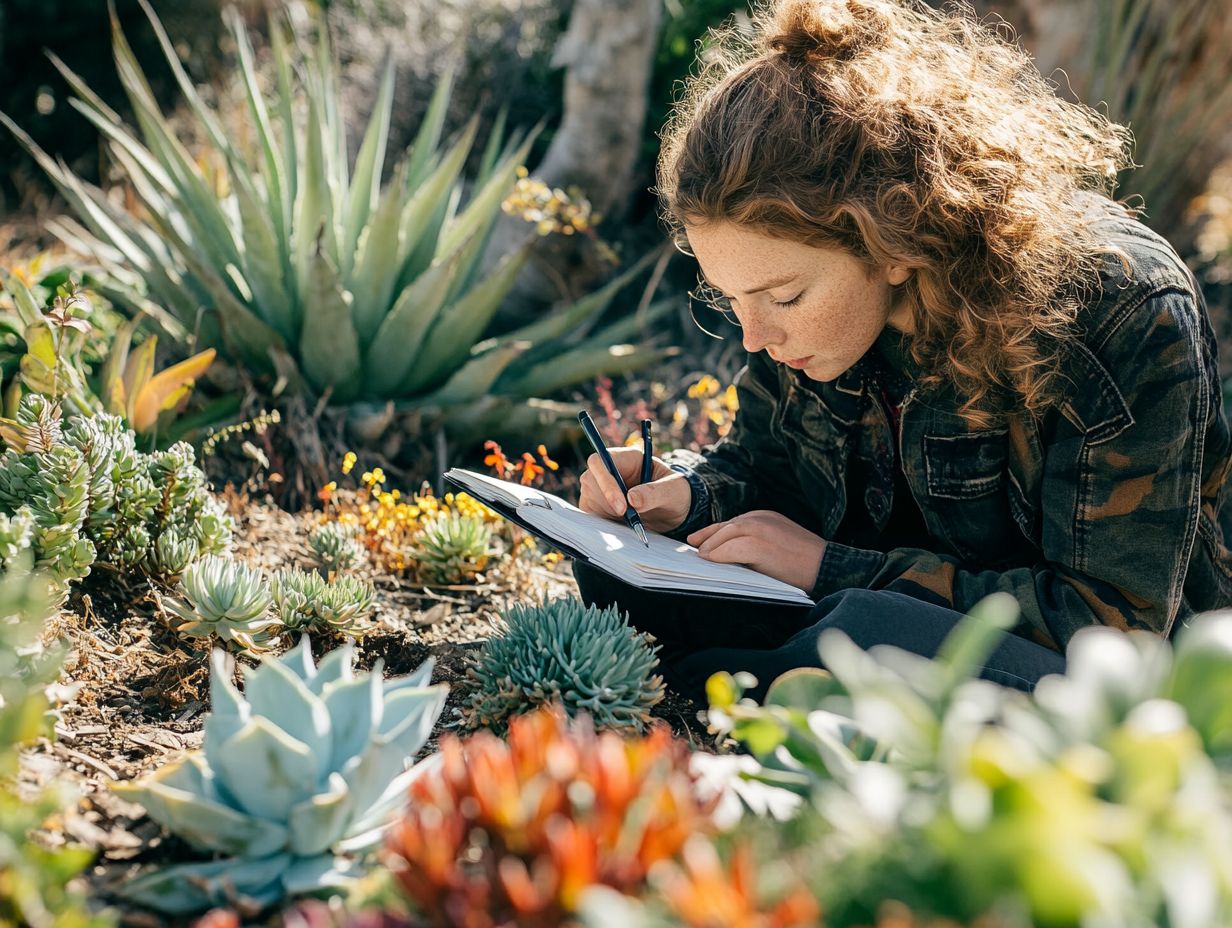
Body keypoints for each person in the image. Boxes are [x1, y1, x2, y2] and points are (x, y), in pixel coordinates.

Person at [572, 0, 1232, 703]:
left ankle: (722, 685)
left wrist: (831, 571)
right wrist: (686, 498)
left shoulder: (1116, 309)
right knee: (618, 571)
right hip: (882, 626)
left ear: (892, 236)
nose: (755, 336)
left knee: (867, 626)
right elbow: (772, 472)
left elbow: (1112, 628)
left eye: (784, 297)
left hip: (1115, 693)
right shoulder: (808, 321)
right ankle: (741, 679)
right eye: (732, 301)